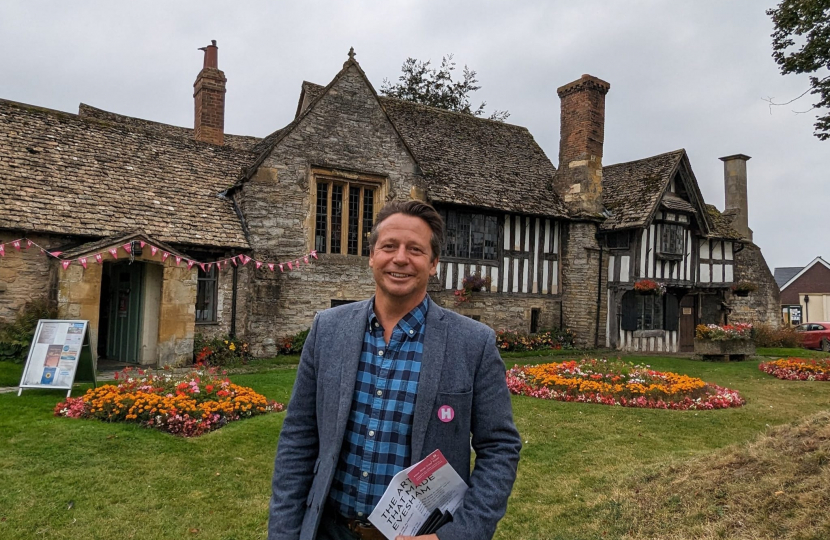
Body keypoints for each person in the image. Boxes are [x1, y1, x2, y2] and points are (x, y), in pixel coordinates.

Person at [268, 200, 521, 540]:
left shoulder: (473, 344)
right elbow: (298, 437)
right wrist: (284, 532)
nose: (400, 258)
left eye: (415, 249)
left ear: (433, 264)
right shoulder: (327, 329)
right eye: (389, 246)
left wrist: (459, 535)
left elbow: (500, 447)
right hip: (329, 530)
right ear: (372, 255)